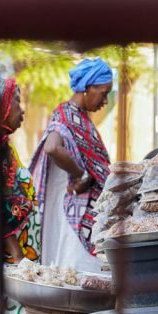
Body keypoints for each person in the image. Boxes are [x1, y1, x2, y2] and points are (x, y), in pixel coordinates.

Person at [30, 58, 113, 272]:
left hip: (84, 211)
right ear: (88, 87)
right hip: (74, 213)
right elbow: (52, 147)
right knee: (78, 275)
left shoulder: (79, 117)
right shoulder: (65, 116)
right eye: (104, 93)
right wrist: (82, 175)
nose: (105, 101)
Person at [0, 76, 40, 314]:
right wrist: (16, 253)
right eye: (17, 101)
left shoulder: (3, 147)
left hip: (19, 259)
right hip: (10, 260)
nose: (22, 110)